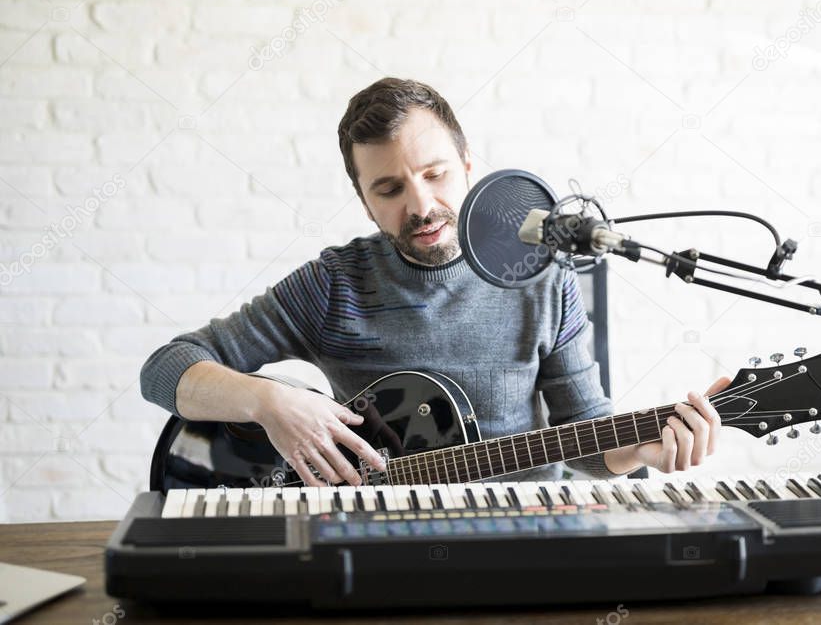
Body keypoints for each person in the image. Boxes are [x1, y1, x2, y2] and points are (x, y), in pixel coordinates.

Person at [140, 77, 725, 487]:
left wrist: (641, 447)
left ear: (468, 163)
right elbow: (164, 369)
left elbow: (587, 437)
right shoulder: (332, 286)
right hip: (377, 549)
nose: (421, 205)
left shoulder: (541, 275)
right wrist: (268, 403)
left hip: (520, 536)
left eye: (435, 174)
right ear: (365, 202)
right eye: (390, 189)